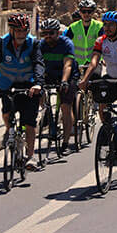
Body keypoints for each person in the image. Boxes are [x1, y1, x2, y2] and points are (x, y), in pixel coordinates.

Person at [77, 11, 117, 174]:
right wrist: (84, 80)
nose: (107, 28)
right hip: (112, 77)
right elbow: (94, 62)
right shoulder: (101, 41)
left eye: (111, 25)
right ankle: (109, 129)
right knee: (102, 107)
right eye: (105, 24)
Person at [0, 12, 44, 170]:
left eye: (24, 31)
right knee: (7, 114)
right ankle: (9, 130)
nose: (21, 35)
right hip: (7, 86)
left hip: (29, 87)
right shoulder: (2, 43)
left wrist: (38, 84)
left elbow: (38, 64)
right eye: (18, 31)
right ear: (11, 31)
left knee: (29, 123)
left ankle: (30, 157)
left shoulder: (33, 43)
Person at [38, 18, 77, 152]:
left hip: (67, 75)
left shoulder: (66, 43)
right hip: (50, 74)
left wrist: (64, 81)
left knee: (65, 106)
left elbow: (68, 65)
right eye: (44, 33)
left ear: (58, 33)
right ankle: (46, 113)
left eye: (51, 33)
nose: (48, 36)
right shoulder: (41, 45)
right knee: (38, 91)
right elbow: (38, 64)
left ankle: (65, 142)